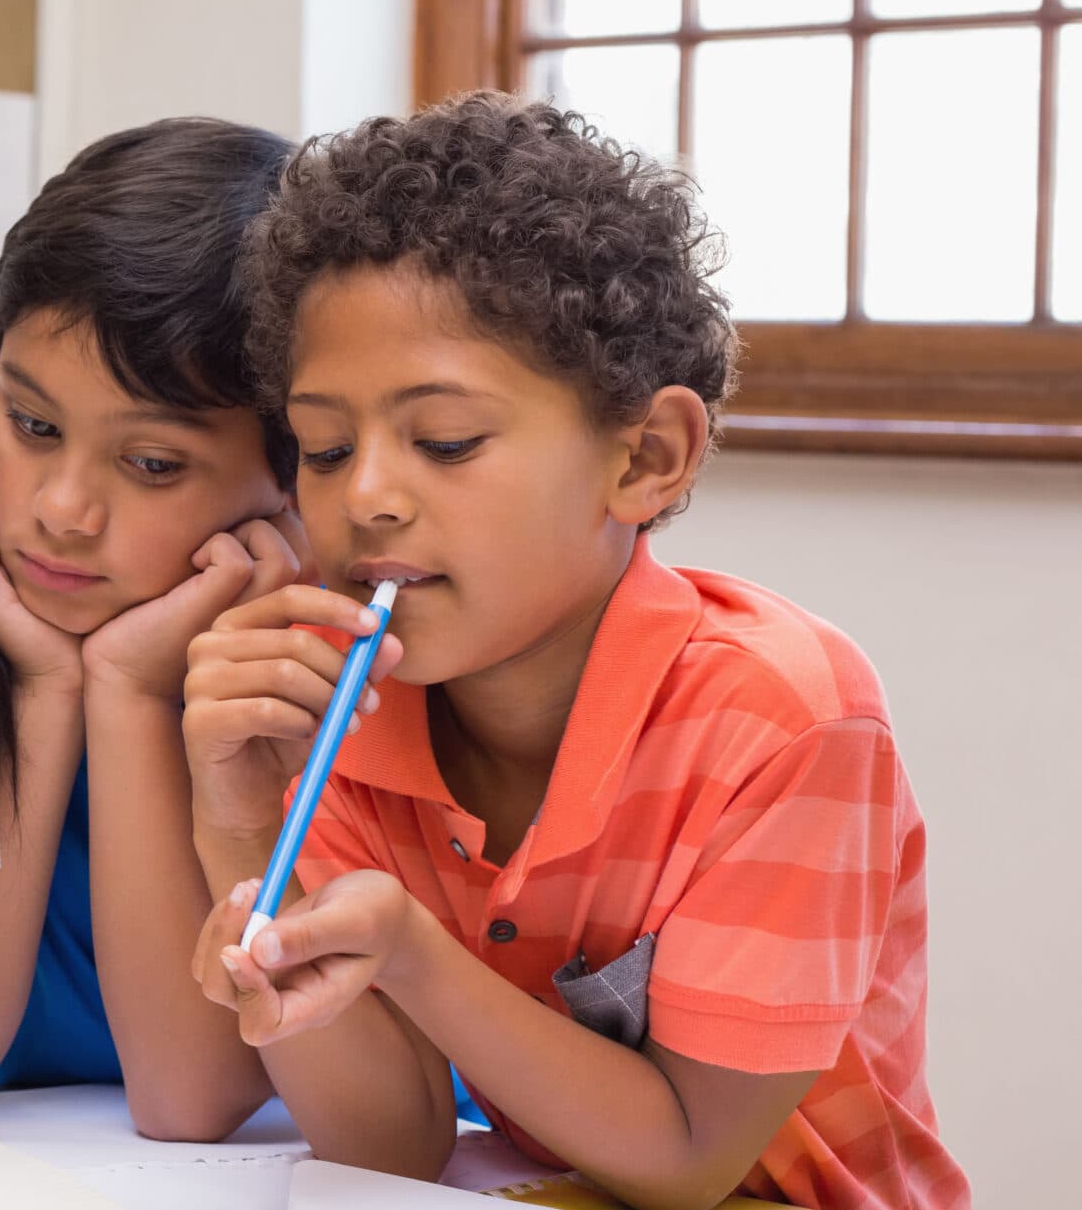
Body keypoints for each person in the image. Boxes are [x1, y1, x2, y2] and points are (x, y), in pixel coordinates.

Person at [188, 93, 970, 1210]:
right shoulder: (348, 706)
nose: (363, 496)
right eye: (322, 446)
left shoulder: (785, 721)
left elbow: (689, 1157)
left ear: (646, 457)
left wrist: (407, 952)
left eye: (444, 441)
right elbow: (390, 1146)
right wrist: (245, 822)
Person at [0, 120, 304, 1147]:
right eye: (33, 426)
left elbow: (189, 1101)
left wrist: (127, 692)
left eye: (151, 465)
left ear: (294, 484)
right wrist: (47, 696)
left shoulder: (314, 688)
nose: (64, 509)